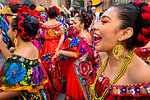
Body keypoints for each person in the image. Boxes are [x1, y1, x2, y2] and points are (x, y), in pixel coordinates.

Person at [89, 1, 150, 99]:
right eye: (99, 20)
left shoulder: (143, 76)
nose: (94, 26)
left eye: (104, 21)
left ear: (125, 33)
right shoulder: (97, 57)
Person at [0, 6, 47, 100]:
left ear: (15, 32)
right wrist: (1, 44)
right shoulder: (32, 48)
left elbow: (13, 91)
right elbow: (15, 62)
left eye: (9, 28)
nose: (7, 31)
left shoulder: (18, 57)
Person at [55, 12, 94, 99]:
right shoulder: (89, 35)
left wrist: (60, 52)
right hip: (85, 68)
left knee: (75, 92)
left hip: (76, 70)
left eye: (75, 23)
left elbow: (76, 54)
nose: (73, 25)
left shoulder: (79, 38)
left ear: (82, 25)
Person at [38, 6, 65, 99]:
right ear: (56, 14)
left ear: (47, 15)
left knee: (47, 66)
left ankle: (49, 88)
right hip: (56, 45)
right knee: (57, 66)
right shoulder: (59, 24)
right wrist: (58, 47)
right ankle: (57, 86)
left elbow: (40, 36)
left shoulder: (44, 25)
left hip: (46, 46)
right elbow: (62, 36)